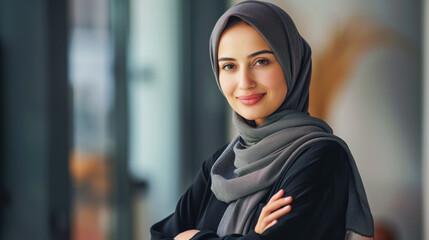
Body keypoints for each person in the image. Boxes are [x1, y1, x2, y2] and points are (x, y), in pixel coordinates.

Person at [151, 1, 374, 239]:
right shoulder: (222, 164)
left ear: (291, 63)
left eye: (261, 62)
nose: (245, 81)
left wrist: (192, 237)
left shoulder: (320, 158)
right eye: (229, 66)